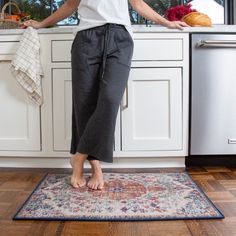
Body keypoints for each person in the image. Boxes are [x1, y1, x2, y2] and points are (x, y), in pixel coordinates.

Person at [22, 0, 189, 191]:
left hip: (120, 38)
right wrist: (41, 23)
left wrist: (167, 23)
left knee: (110, 99)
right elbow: (70, 5)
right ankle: (96, 167)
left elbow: (138, 3)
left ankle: (79, 156)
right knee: (84, 104)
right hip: (86, 38)